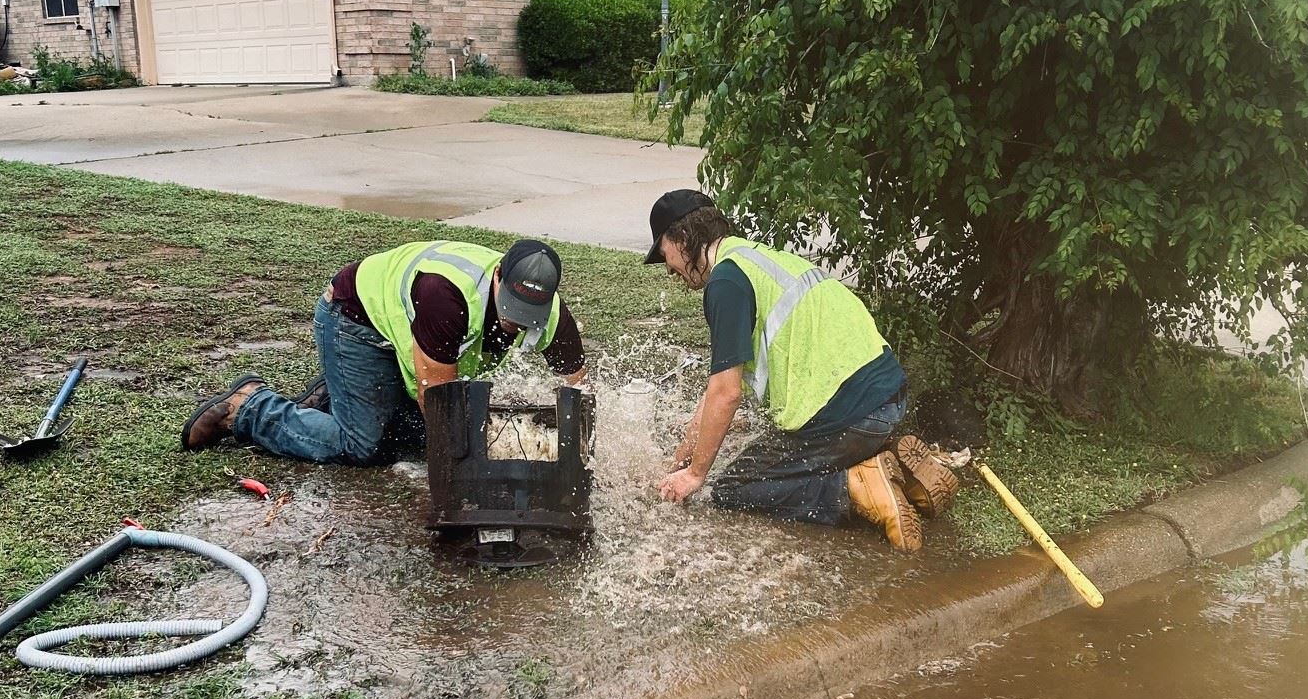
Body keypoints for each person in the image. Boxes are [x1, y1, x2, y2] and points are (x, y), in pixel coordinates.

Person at [644, 190, 956, 552]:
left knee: (733, 488)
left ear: (682, 238)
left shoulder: (726, 284)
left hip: (849, 414)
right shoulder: (755, 259)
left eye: (664, 253)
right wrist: (678, 462)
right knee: (770, 464)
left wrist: (696, 475)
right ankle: (885, 458)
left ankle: (854, 487)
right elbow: (716, 390)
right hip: (887, 399)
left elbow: (726, 395)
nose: (669, 268)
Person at [180, 237, 587, 463]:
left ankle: (339, 392)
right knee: (364, 446)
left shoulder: (554, 315)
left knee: (411, 433)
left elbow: (579, 390)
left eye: (528, 315)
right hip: (354, 320)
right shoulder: (445, 294)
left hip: (409, 337)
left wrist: (573, 448)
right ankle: (250, 408)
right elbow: (438, 401)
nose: (515, 322)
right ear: (498, 274)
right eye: (511, 309)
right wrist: (476, 462)